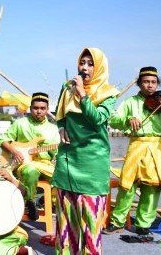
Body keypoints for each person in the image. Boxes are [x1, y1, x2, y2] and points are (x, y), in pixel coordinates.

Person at [102, 66, 161, 237]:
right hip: (137, 145)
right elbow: (113, 120)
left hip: (157, 147)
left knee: (152, 190)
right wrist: (129, 119)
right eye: (146, 82)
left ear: (157, 84)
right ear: (139, 83)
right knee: (127, 187)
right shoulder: (130, 102)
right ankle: (116, 222)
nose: (150, 85)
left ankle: (144, 225)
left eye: (153, 82)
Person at [52, 48, 119, 254]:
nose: (84, 68)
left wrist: (82, 94)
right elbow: (59, 112)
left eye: (90, 64)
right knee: (65, 224)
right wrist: (61, 127)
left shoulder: (108, 93)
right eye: (82, 62)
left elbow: (97, 119)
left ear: (99, 67)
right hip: (68, 159)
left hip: (92, 164)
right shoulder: (67, 87)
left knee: (90, 226)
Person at [0, 92, 60, 221]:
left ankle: (51, 203)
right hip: (24, 164)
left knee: (64, 176)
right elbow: (2, 140)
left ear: (47, 110)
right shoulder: (20, 123)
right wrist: (14, 152)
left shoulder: (53, 129)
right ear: (30, 108)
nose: (39, 111)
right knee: (30, 171)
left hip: (45, 165)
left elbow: (57, 153)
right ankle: (30, 202)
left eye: (42, 108)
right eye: (35, 108)